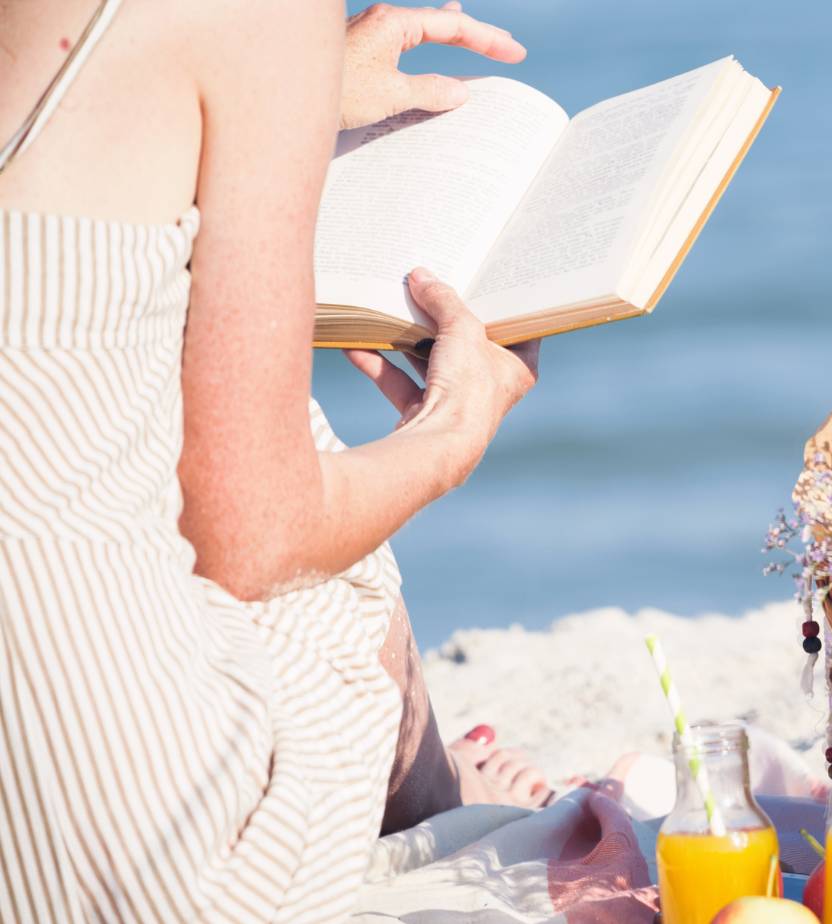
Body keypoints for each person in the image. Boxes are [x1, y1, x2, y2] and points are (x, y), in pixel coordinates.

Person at [0, 1, 550, 918]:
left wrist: (293, 94)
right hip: (114, 847)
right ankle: (428, 817)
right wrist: (455, 427)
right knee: (306, 509)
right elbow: (258, 540)